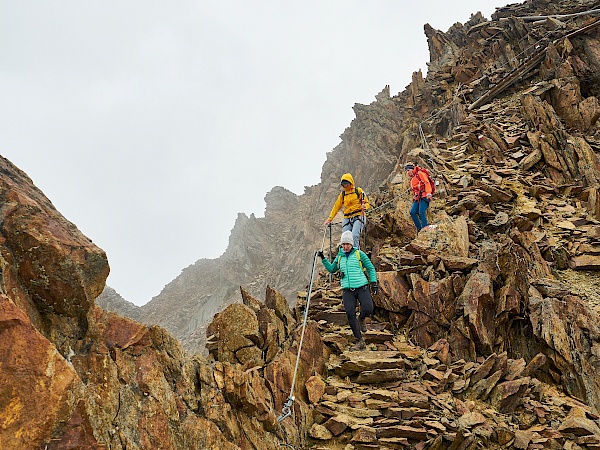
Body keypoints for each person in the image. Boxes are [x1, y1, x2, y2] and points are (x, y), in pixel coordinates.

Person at [317, 230, 378, 351]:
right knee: (350, 314)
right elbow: (331, 269)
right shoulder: (339, 257)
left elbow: (370, 268)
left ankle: (361, 319)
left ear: (352, 244)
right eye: (343, 244)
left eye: (347, 244)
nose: (345, 246)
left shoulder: (359, 254)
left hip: (362, 287)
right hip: (347, 290)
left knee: (368, 308)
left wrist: (374, 282)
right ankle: (360, 341)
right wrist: (323, 258)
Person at [323, 173, 370, 249]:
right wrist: (330, 219)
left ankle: (355, 255)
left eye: (346, 183)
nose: (345, 185)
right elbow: (336, 206)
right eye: (343, 184)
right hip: (347, 218)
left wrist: (365, 207)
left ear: (350, 182)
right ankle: (345, 257)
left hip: (359, 216)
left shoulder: (358, 191)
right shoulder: (343, 194)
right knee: (344, 238)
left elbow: (367, 203)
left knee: (354, 235)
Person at [405, 163, 432, 232]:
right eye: (406, 171)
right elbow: (414, 189)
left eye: (408, 170)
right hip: (418, 197)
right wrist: (414, 196)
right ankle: (420, 229)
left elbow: (426, 182)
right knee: (412, 212)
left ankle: (425, 228)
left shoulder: (420, 173)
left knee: (421, 212)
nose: (407, 172)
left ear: (412, 169)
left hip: (424, 195)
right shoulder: (412, 178)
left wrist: (428, 193)